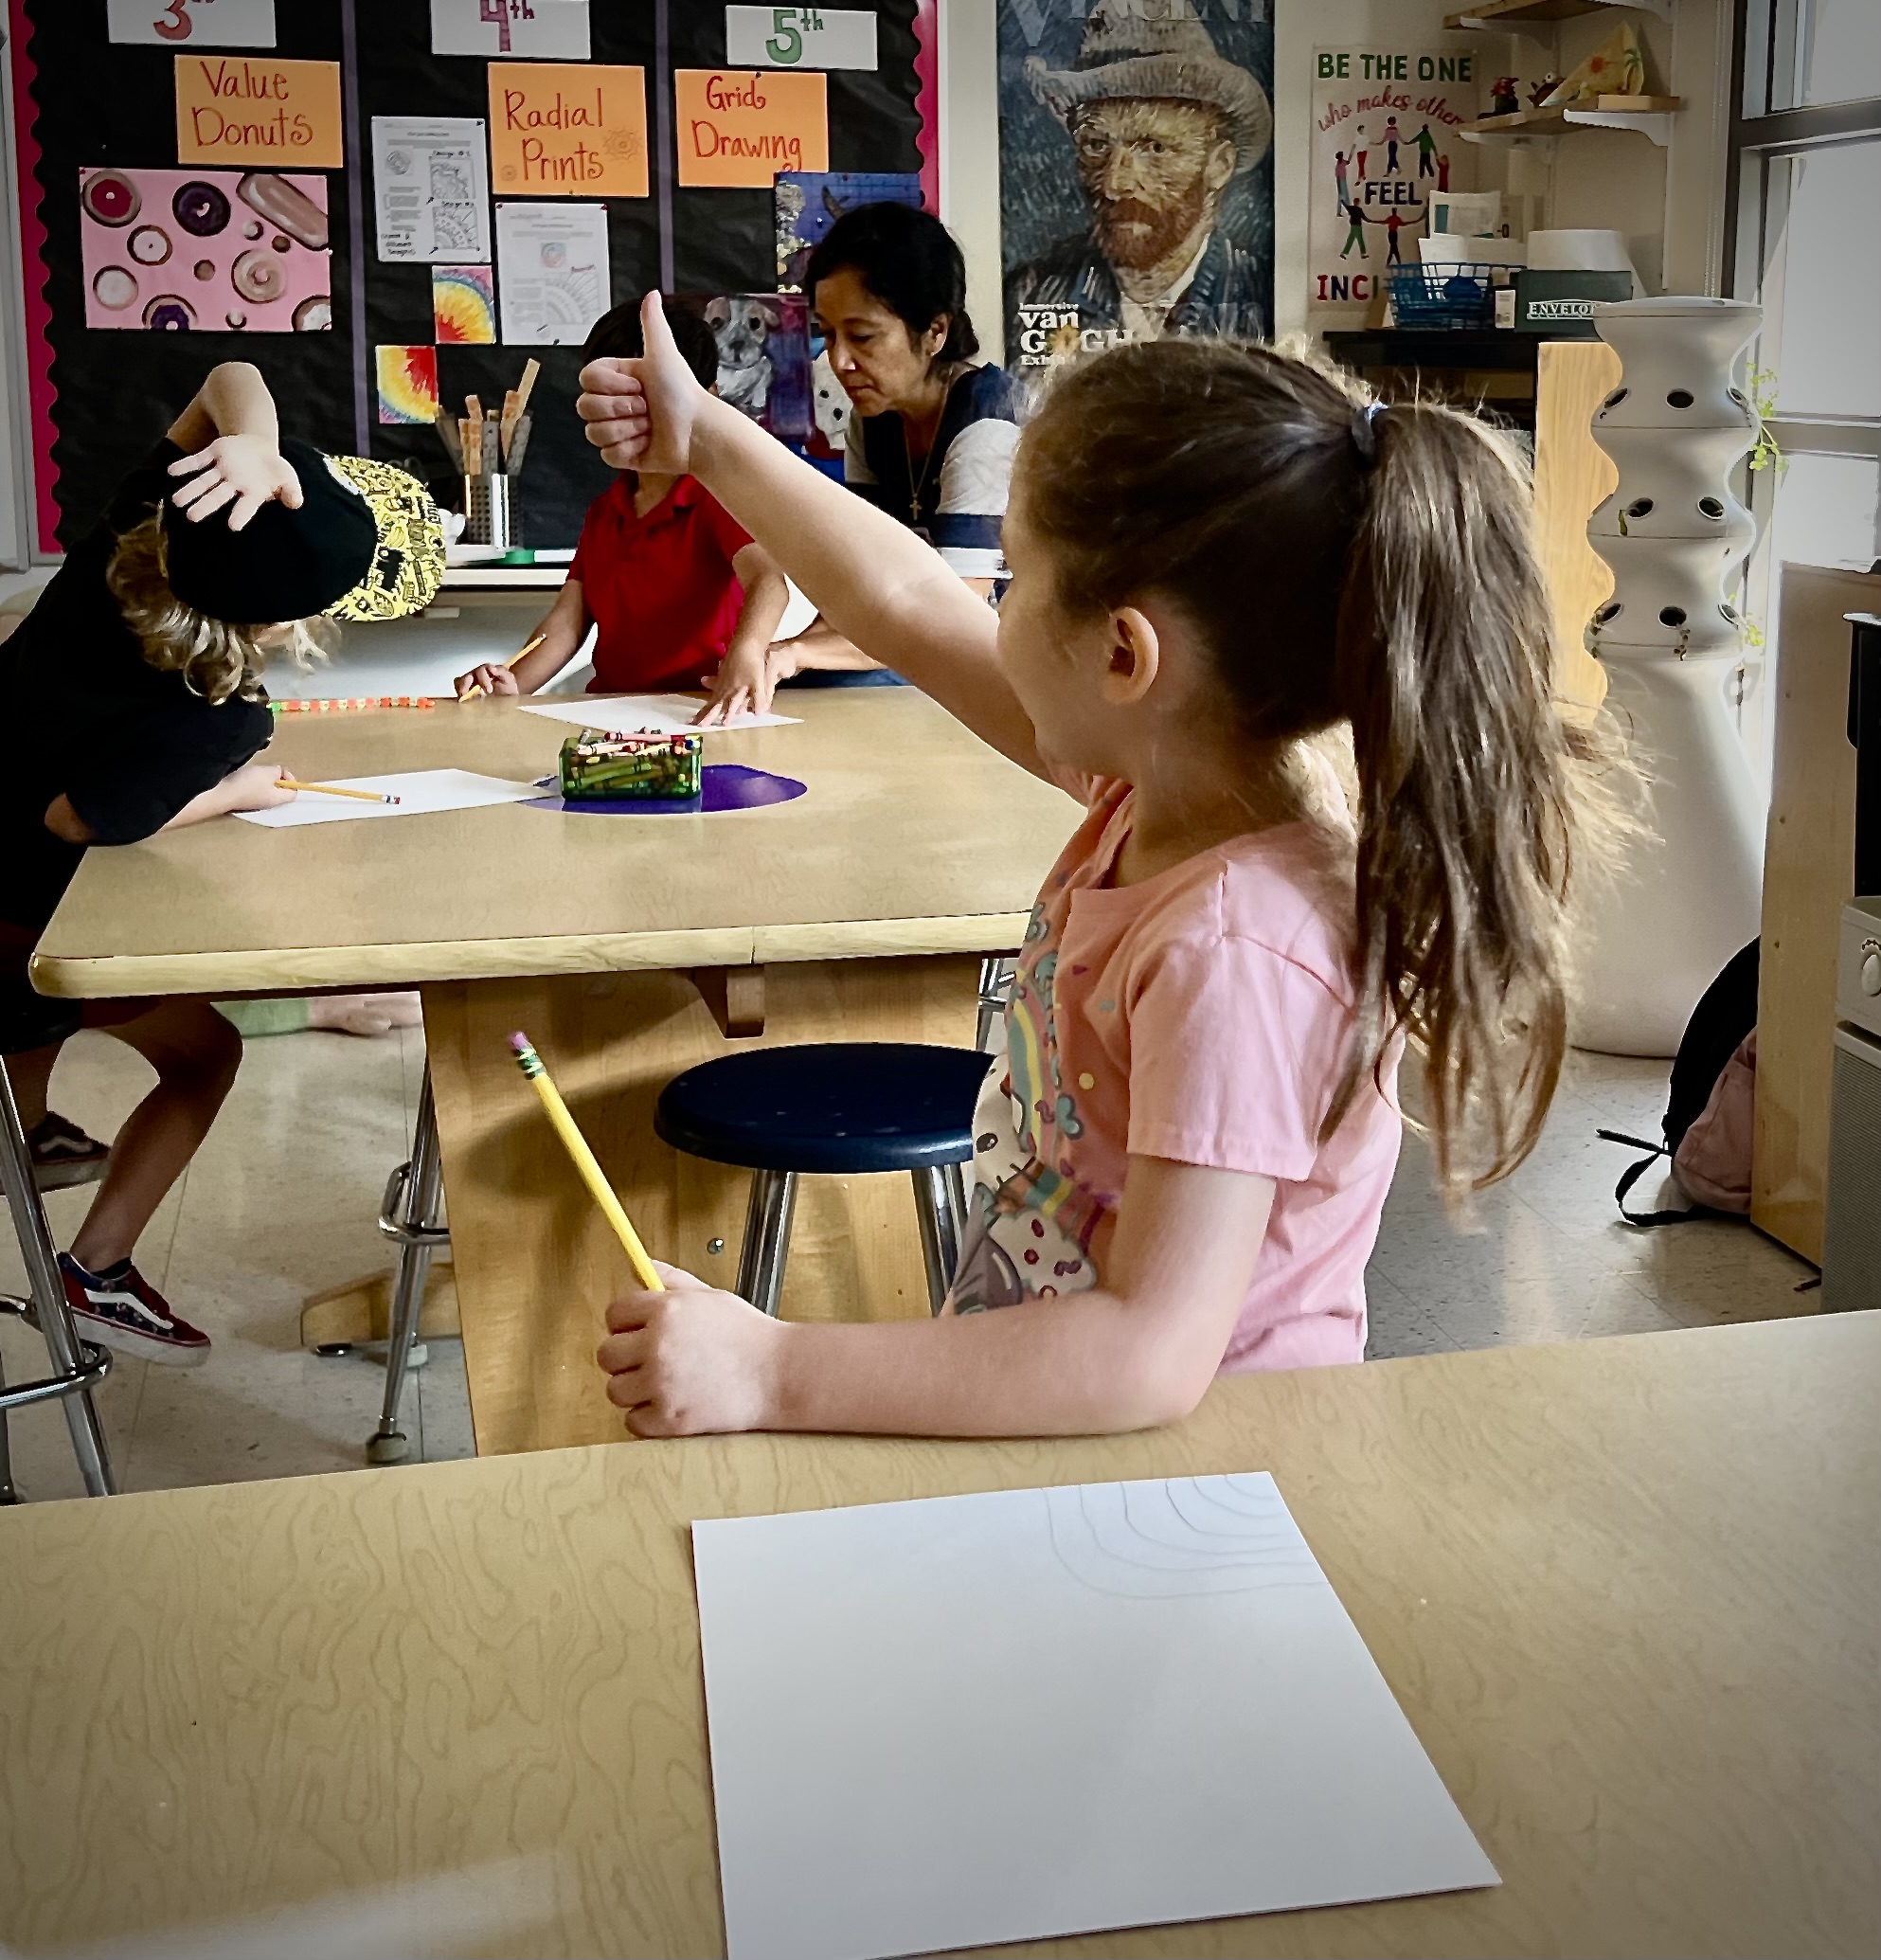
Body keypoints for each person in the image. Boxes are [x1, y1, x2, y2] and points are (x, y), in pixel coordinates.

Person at [574, 297, 1622, 1439]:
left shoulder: (1234, 947)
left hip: (1193, 1478)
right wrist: (707, 435)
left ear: (1125, 654)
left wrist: (774, 1370)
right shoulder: (1165, 784)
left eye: (1015, 578)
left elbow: (1146, 1351)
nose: (991, 604)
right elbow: (902, 600)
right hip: (1079, 1432)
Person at [1, 361, 383, 1365]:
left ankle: (31, 1123)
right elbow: (78, 818)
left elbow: (231, 374)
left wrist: (254, 443)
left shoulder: (128, 534)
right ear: (277, 624)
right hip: (20, 924)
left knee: (32, 1021)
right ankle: (96, 1268)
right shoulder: (220, 717)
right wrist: (238, 793)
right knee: (206, 1054)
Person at [453, 298, 796, 721]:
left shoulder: (716, 497)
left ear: (707, 398)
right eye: (608, 398)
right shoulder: (606, 510)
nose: (625, 415)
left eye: (644, 396)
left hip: (701, 713)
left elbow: (769, 582)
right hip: (612, 713)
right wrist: (510, 682)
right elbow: (566, 626)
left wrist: (748, 652)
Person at [778, 202, 1021, 682]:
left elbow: (952, 617)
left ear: (935, 331)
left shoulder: (988, 421)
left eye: (862, 336)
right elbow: (862, 583)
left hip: (1003, 664)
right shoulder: (872, 420)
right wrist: (786, 651)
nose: (839, 361)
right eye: (827, 335)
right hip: (929, 650)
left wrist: (798, 653)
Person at [1005, 2, 1272, 345]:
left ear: (1219, 165)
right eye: (1096, 145)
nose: (1114, 183)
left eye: (1155, 148)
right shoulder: (1032, 292)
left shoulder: (1260, 292)